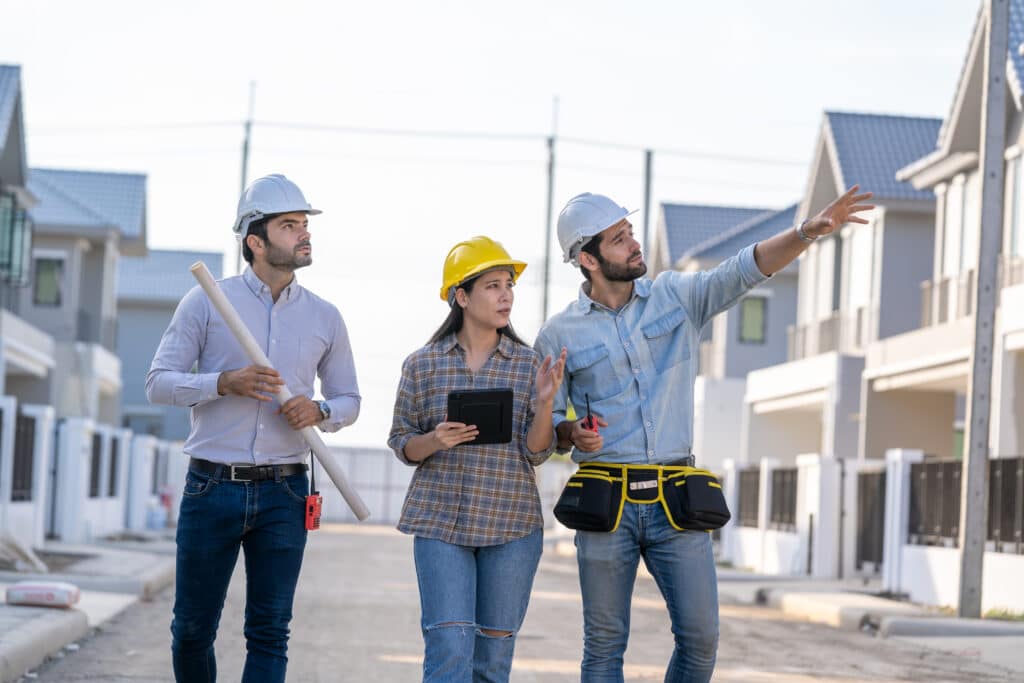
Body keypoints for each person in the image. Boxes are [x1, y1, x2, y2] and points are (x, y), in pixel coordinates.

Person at [534, 187, 873, 682]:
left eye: (631, 233)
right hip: (607, 505)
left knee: (701, 639)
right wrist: (569, 431)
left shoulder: (676, 296)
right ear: (587, 258)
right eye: (619, 239)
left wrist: (805, 233)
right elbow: (543, 439)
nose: (634, 244)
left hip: (677, 500)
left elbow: (742, 269)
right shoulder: (559, 334)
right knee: (604, 647)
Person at [146, 173, 361, 682]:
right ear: (255, 241)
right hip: (210, 486)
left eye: (304, 224)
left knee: (270, 632)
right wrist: (224, 382)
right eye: (290, 226)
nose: (304, 234)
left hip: (285, 492)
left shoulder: (325, 317)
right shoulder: (205, 300)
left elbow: (349, 398)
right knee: (192, 630)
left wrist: (321, 412)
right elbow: (158, 383)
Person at [388, 236, 567, 682]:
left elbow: (538, 451)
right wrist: (435, 440)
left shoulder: (529, 365)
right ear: (461, 297)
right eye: (492, 285)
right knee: (449, 650)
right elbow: (401, 443)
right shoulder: (422, 365)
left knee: (491, 662)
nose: (506, 294)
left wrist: (545, 403)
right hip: (439, 524)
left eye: (509, 285)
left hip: (511, 527)